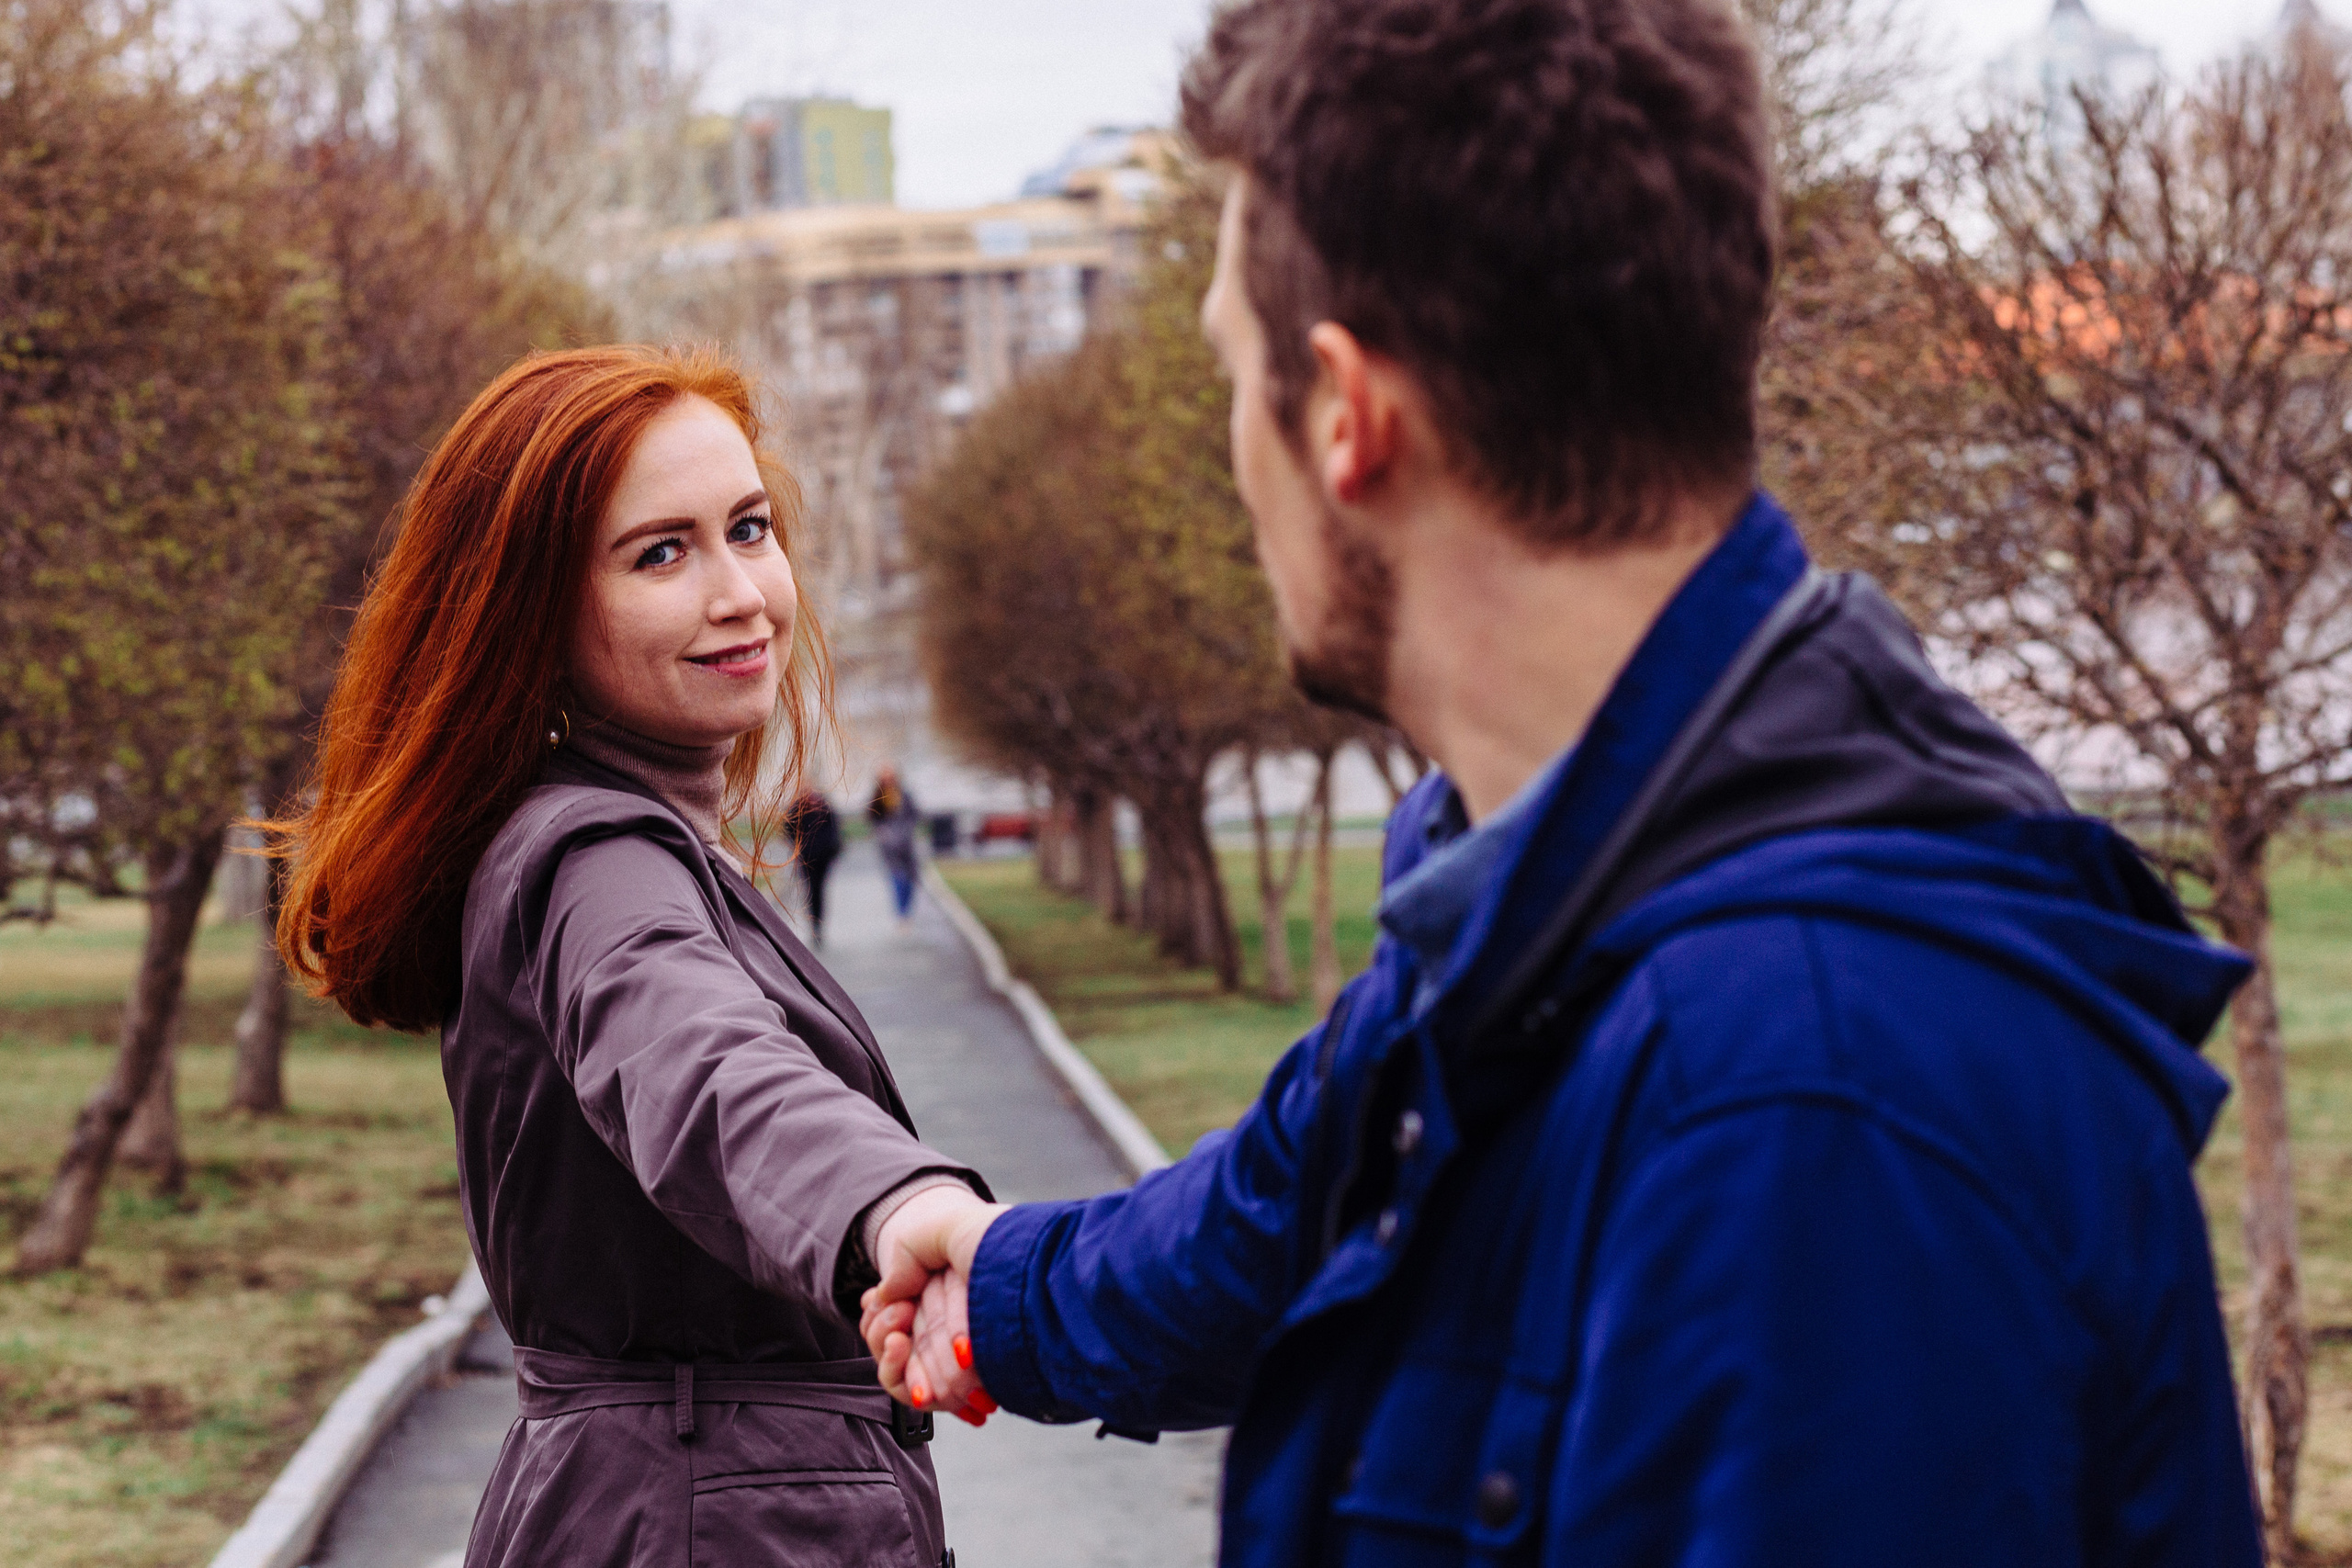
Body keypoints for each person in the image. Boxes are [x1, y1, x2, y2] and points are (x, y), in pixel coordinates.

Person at [857, 2, 2263, 1564]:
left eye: (1232, 379)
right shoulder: (1544, 874)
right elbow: (1280, 1205)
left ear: (1345, 416)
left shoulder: (1811, 1108)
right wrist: (1001, 1284)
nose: (1237, 456)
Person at [271, 345, 994, 1568]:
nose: (741, 592)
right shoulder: (591, 854)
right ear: (531, 612)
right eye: (662, 552)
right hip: (712, 1519)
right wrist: (902, 1204)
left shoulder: (623, 832)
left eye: (749, 528)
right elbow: (703, 1071)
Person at [786, 787, 843, 942]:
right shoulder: (797, 809)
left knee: (819, 888)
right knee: (811, 889)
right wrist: (797, 845)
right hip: (806, 856)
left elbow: (835, 830)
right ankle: (814, 922)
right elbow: (788, 828)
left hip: (823, 856)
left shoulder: (826, 809)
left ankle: (818, 921)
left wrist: (832, 847)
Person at [868, 765, 921, 922]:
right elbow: (872, 818)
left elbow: (915, 815)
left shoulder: (905, 796)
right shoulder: (878, 797)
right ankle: (902, 912)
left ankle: (906, 910)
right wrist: (883, 833)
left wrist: (907, 830)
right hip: (889, 846)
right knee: (898, 876)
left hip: (906, 843)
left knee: (910, 877)